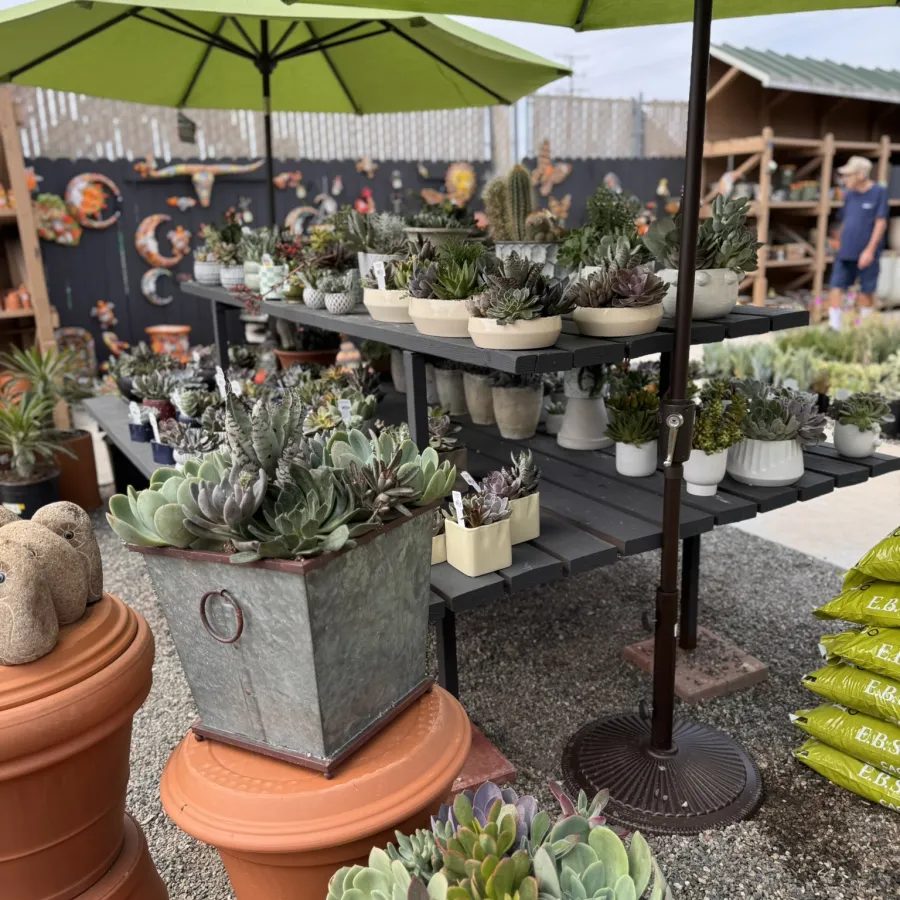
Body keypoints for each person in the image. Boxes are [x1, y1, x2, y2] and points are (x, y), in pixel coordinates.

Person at [828, 155, 889, 330]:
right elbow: (844, 221)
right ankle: (834, 327)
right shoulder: (850, 195)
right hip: (845, 251)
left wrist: (869, 251)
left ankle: (864, 329)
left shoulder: (878, 192)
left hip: (866, 253)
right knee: (836, 286)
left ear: (861, 174)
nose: (845, 178)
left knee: (866, 291)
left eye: (849, 175)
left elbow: (881, 223)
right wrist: (837, 241)